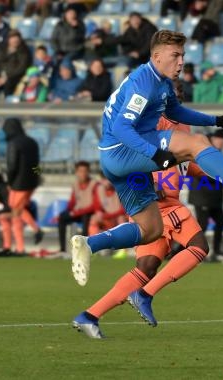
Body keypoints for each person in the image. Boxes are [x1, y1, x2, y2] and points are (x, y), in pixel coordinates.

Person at [70, 30, 223, 288]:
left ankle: (89, 244)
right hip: (122, 150)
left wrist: (216, 120)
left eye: (183, 56)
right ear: (157, 56)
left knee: (150, 230)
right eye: (175, 55)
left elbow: (176, 111)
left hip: (114, 160)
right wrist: (155, 154)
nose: (181, 62)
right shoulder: (144, 83)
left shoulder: (161, 82)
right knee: (196, 143)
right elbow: (122, 128)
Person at [73, 114, 210, 337]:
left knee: (145, 268)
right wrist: (152, 188)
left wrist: (218, 169)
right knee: (199, 246)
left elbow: (190, 167)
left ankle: (89, 316)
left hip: (156, 210)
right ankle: (144, 295)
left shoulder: (179, 142)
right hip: (162, 208)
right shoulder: (155, 138)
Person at [2, 118, 44, 256]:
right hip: (31, 182)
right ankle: (20, 248)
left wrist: (10, 182)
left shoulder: (13, 143)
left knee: (15, 211)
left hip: (18, 183)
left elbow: (12, 165)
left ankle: (35, 231)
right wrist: (36, 176)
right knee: (17, 212)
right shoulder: (32, 142)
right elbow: (36, 163)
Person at [188, 129, 223, 263]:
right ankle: (191, 252)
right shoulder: (205, 151)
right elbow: (203, 173)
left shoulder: (217, 153)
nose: (222, 143)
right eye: (220, 139)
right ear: (214, 139)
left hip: (214, 199)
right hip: (202, 196)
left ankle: (216, 252)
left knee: (220, 221)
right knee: (202, 225)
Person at [56, 161, 97, 256]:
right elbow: (72, 202)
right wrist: (66, 212)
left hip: (90, 212)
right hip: (79, 213)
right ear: (77, 172)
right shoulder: (75, 184)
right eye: (80, 171)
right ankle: (62, 250)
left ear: (88, 172)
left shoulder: (94, 184)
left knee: (86, 218)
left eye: (85, 171)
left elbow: (95, 205)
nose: (83, 173)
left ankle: (84, 249)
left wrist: (76, 213)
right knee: (62, 218)